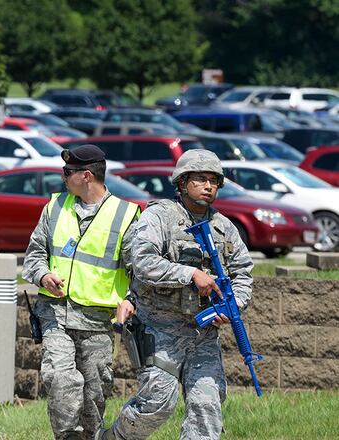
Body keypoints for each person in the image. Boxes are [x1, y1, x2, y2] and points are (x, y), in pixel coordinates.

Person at [97, 149, 254, 440]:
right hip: (160, 331)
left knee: (207, 406)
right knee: (157, 403)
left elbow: (243, 273)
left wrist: (233, 307)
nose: (208, 186)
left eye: (214, 181)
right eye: (200, 179)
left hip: (203, 334)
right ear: (182, 183)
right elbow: (143, 262)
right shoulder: (160, 217)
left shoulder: (225, 228)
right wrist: (190, 274)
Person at [21, 144, 139, 440]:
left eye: (68, 172)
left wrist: (131, 300)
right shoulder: (54, 207)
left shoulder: (124, 215)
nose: (62, 177)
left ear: (86, 176)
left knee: (93, 397)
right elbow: (34, 254)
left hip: (97, 321)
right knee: (60, 379)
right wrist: (43, 274)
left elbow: (139, 271)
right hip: (55, 315)